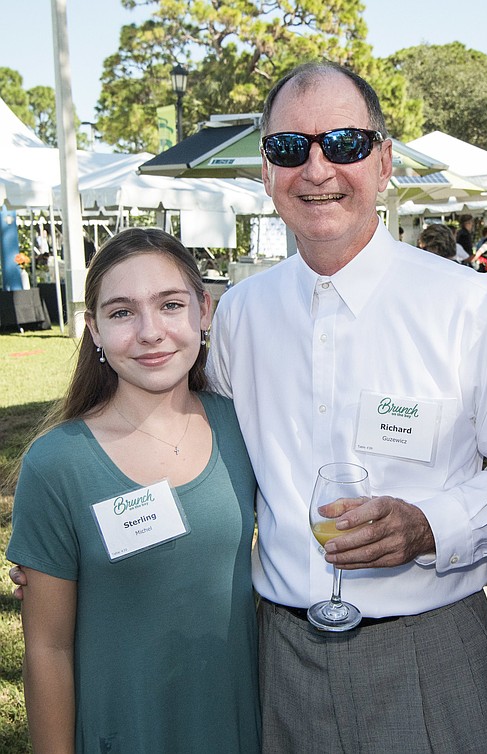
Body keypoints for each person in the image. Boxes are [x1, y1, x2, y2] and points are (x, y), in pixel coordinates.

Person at [208, 61, 487, 753]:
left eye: (345, 143)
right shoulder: (241, 314)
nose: (317, 168)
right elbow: (215, 470)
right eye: (289, 148)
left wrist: (430, 525)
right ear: (267, 174)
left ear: (384, 160)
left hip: (430, 650)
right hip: (280, 653)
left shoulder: (470, 306)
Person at [6, 228, 261, 753]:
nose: (151, 332)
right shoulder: (58, 464)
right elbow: (47, 649)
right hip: (125, 732)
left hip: (239, 726)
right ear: (94, 329)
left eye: (170, 304)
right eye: (122, 312)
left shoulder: (247, 430)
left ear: (204, 310)